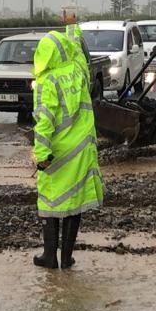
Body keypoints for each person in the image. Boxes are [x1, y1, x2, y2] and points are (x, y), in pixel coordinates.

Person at [31, 28, 104, 269]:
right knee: (74, 202)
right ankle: (66, 258)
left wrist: (42, 155)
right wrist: (72, 26)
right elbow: (79, 53)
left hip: (58, 152)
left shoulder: (47, 81)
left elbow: (44, 121)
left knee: (49, 202)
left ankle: (49, 256)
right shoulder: (77, 71)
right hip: (81, 148)